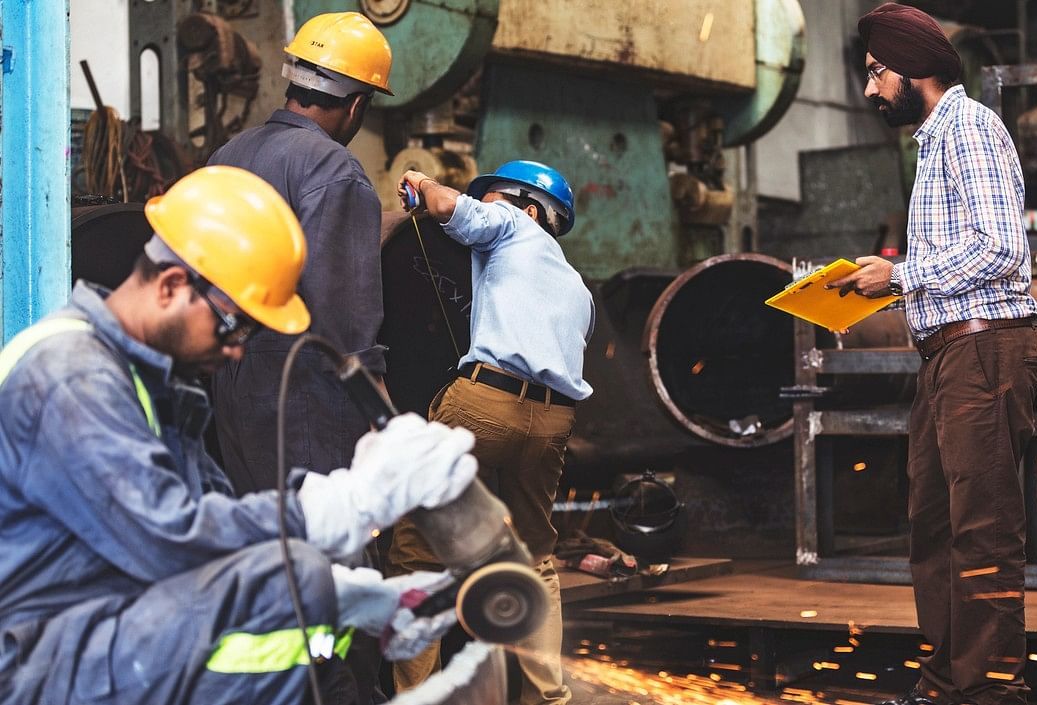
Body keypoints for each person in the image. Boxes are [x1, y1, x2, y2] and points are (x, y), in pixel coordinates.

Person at [0, 166, 474, 705]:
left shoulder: (151, 383)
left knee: (299, 592)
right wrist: (336, 509)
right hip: (36, 659)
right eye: (234, 324)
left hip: (95, 620)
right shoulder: (73, 377)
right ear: (173, 285)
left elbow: (214, 519)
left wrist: (342, 593)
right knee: (279, 619)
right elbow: (171, 544)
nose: (238, 350)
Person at [829, 5, 1037, 705]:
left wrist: (905, 274)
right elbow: (963, 250)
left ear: (915, 70)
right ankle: (949, 684)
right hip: (947, 356)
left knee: (981, 529)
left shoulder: (970, 127)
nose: (869, 89)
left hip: (983, 351)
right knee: (933, 527)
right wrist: (887, 272)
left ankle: (988, 691)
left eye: (876, 73)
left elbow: (1004, 247)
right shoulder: (933, 143)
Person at [388, 161, 594, 704]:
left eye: (496, 197)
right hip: (553, 421)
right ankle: (549, 698)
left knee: (418, 552)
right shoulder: (578, 287)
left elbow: (447, 208)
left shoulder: (513, 226)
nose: (489, 205)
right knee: (536, 559)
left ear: (531, 209)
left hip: (484, 403)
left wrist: (423, 181)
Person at [207, 11, 391, 494]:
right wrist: (377, 403)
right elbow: (344, 312)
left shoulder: (226, 156)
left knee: (266, 540)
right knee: (325, 546)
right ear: (355, 107)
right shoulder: (332, 167)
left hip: (231, 384)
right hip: (306, 392)